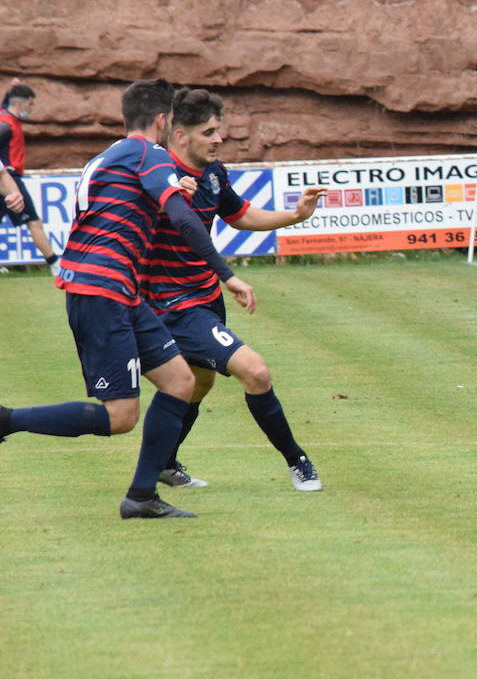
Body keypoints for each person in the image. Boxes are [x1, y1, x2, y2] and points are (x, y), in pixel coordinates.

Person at [0, 79, 254, 520]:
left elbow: (123, 212)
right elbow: (182, 219)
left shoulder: (109, 156)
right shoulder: (148, 154)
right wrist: (226, 274)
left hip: (120, 291)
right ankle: (6, 420)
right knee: (120, 416)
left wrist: (168, 197)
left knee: (180, 382)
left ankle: (141, 497)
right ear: (161, 121)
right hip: (101, 292)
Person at [145, 88, 328, 491]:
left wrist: (295, 215)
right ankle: (299, 462)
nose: (218, 139)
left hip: (204, 296)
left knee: (199, 382)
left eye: (218, 130)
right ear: (180, 136)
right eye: (208, 132)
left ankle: (162, 463)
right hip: (173, 303)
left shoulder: (212, 173)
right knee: (256, 371)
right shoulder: (158, 177)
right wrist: (230, 276)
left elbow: (240, 214)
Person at [0, 82, 60, 272]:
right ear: (21, 104)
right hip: (9, 178)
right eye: (30, 104)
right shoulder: (6, 126)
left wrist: (11, 89)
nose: (31, 109)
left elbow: (5, 104)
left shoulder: (5, 115)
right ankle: (55, 264)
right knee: (33, 221)